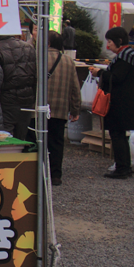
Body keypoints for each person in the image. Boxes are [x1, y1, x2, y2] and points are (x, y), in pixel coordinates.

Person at [90, 26, 134, 179]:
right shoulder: (128, 55)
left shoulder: (124, 58)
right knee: (119, 134)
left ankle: (122, 168)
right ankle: (124, 166)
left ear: (119, 41)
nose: (108, 45)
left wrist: (100, 73)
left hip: (119, 102)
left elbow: (116, 78)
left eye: (110, 42)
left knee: (117, 134)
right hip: (124, 101)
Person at [45, 30, 81, 186]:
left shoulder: (38, 58)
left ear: (48, 43)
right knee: (57, 142)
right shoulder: (68, 61)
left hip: (39, 108)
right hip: (60, 109)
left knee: (38, 140)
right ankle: (56, 174)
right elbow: (75, 88)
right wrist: (75, 110)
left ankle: (38, 172)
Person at [0, 32, 37, 141]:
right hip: (27, 101)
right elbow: (35, 77)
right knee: (21, 138)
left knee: (5, 139)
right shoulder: (29, 47)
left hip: (5, 103)